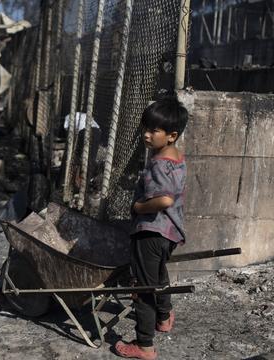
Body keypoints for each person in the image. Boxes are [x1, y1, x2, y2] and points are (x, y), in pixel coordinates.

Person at [115, 96, 188, 360]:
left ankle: (144, 346)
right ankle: (165, 316)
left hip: (150, 232)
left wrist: (138, 208)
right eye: (145, 128)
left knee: (144, 287)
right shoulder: (177, 157)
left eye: (153, 130)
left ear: (171, 135)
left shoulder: (157, 164)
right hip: (169, 232)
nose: (146, 135)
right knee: (159, 275)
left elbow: (164, 199)